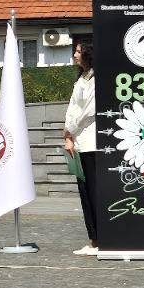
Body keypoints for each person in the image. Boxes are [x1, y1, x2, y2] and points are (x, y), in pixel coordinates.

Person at [62, 41, 99, 256]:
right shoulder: (81, 78)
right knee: (85, 192)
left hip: (90, 142)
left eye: (78, 51)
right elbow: (73, 107)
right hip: (79, 141)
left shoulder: (95, 79)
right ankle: (93, 238)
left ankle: (99, 239)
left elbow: (88, 111)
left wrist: (70, 131)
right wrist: (69, 132)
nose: (75, 55)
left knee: (93, 191)